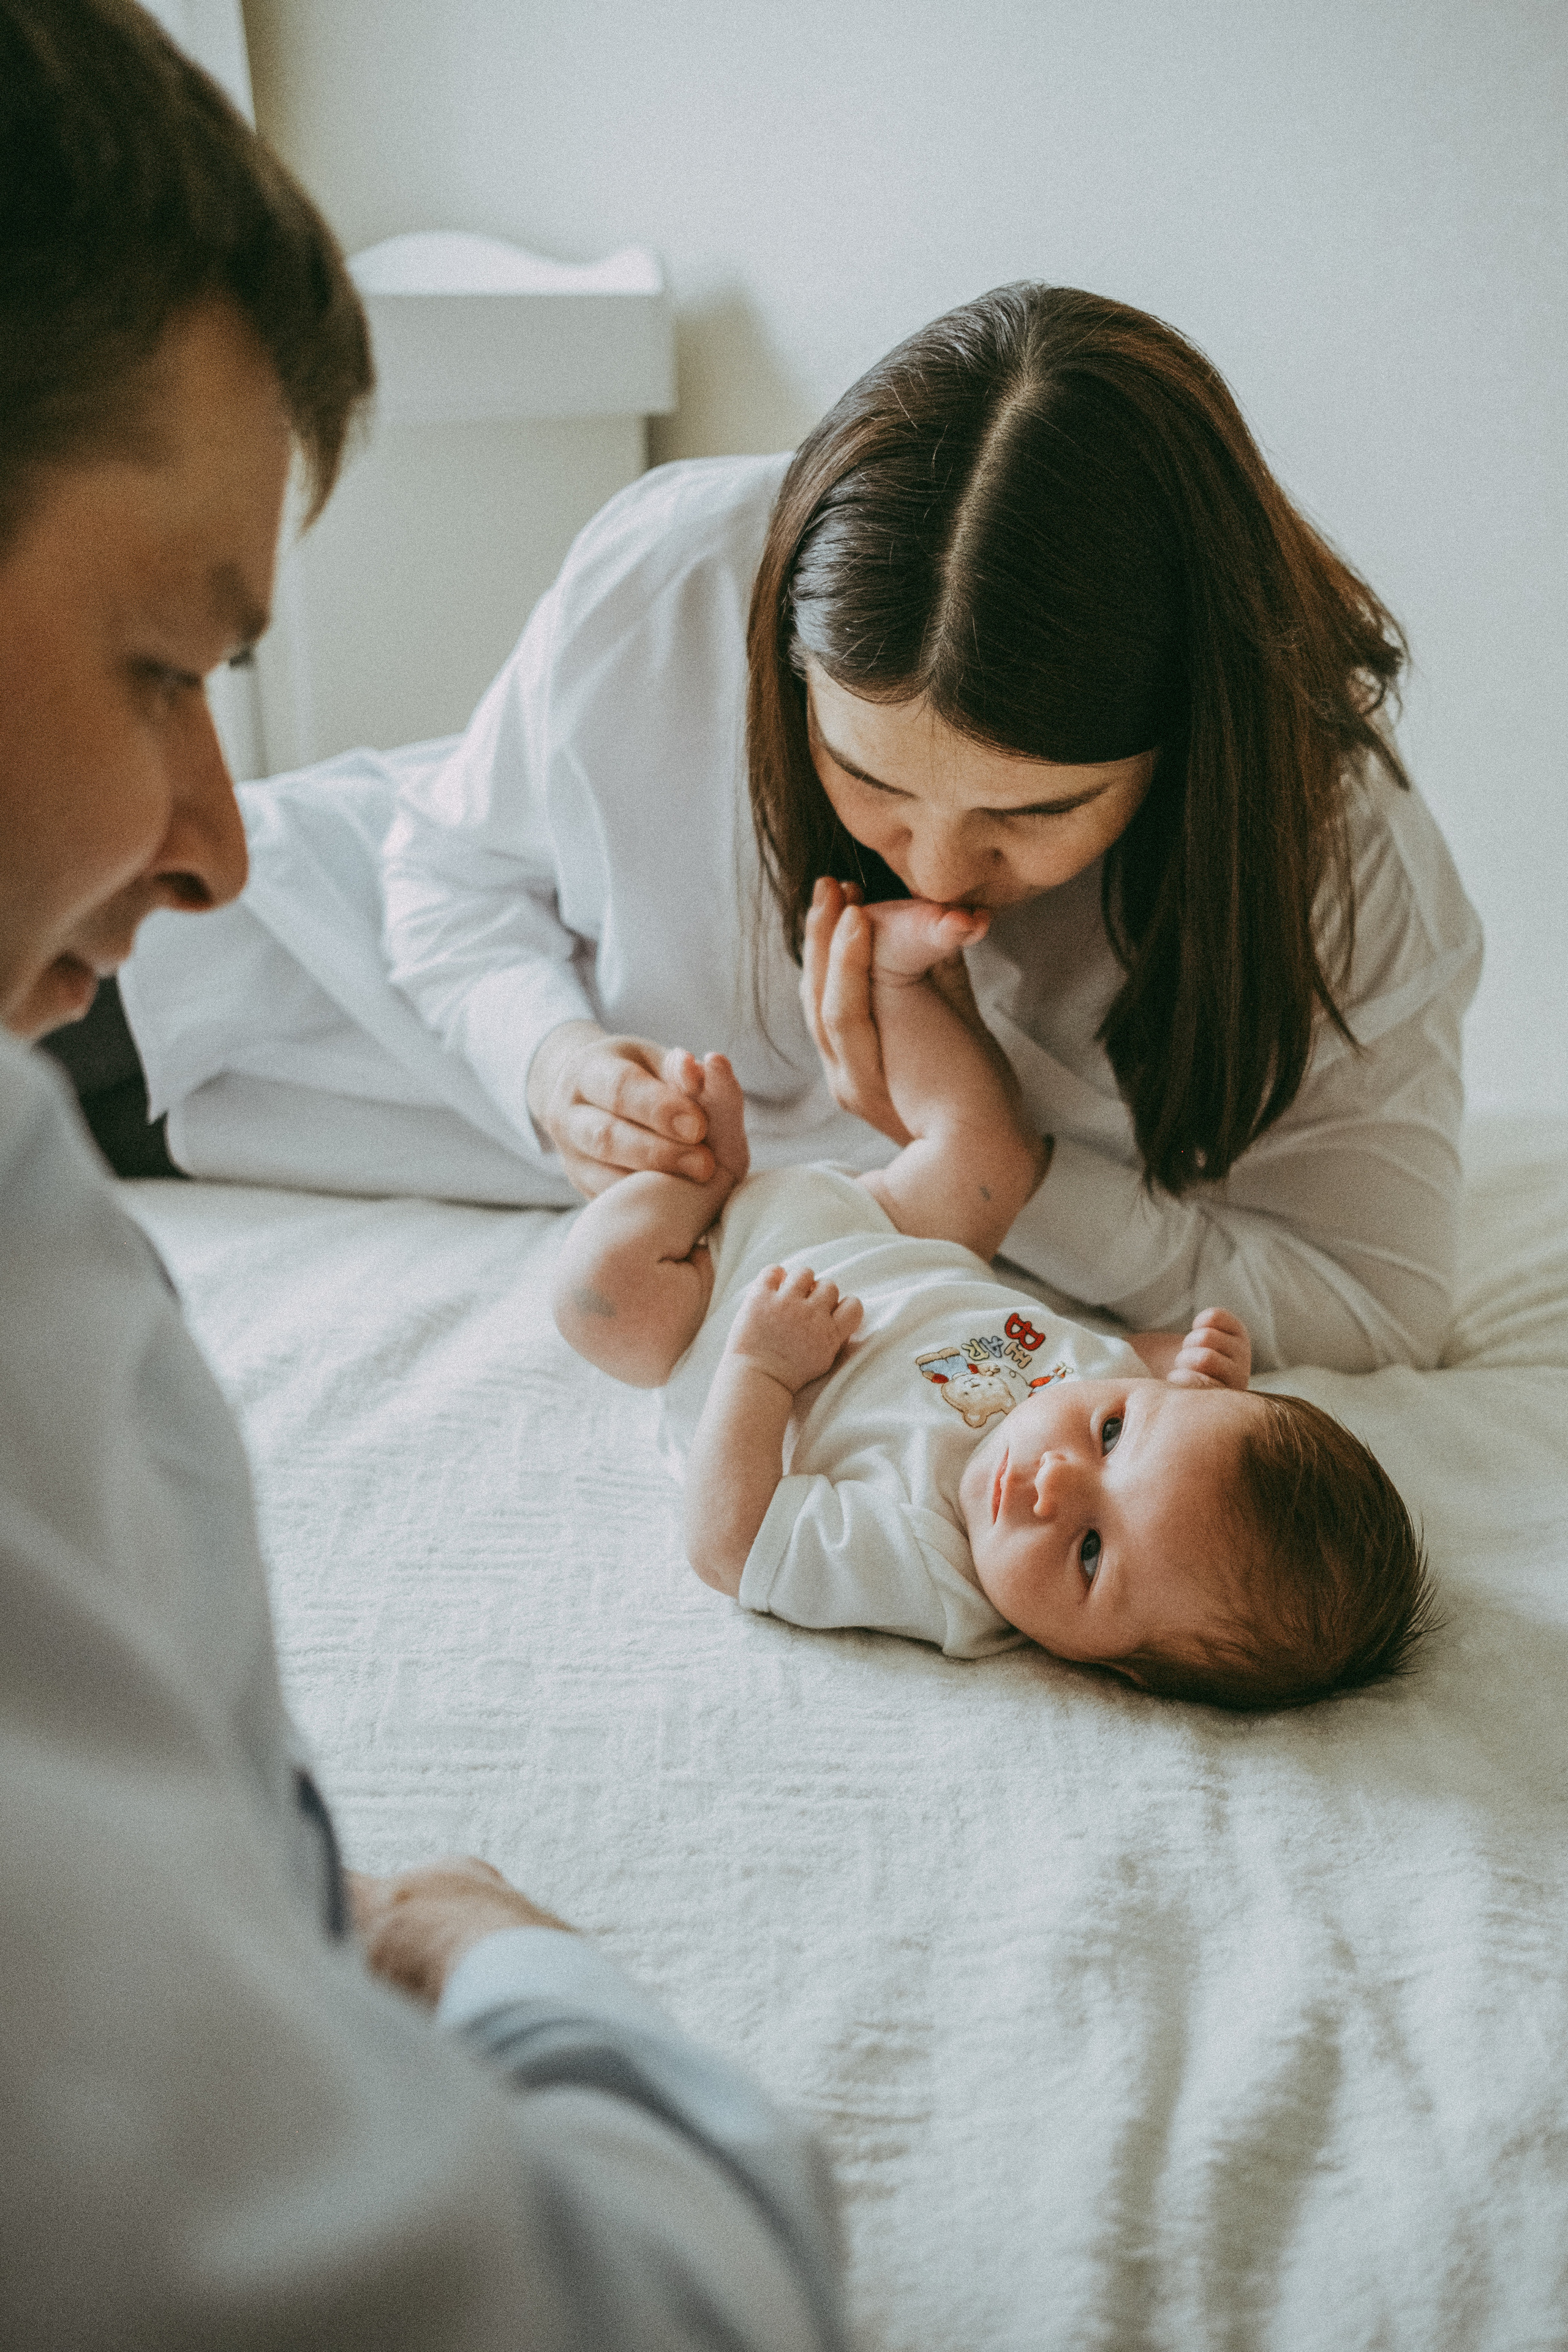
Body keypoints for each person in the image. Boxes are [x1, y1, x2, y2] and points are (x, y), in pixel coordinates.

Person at [0, 7, 845, 2346]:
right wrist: (501, 1963)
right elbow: (630, 2315)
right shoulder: (651, 593)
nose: (209, 834)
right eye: (166, 658)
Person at [114, 276, 1483, 1375]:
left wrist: (1012, 1177)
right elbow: (444, 866)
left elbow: (1374, 1302)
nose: (938, 873)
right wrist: (547, 1063)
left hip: (340, 1135)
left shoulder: (1340, 872)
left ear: (1194, 742)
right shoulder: (677, 574)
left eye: (1034, 810)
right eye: (866, 775)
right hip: (253, 948)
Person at [552, 893, 1433, 1712]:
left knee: (599, 1298)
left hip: (713, 1312)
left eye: (1091, 1552)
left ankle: (702, 1177)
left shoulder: (929, 1569)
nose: (1056, 1479)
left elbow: (729, 1546)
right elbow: (1126, 1365)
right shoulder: (1091, 1394)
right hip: (884, 1228)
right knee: (991, 1157)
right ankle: (899, 981)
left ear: (1113, 1666)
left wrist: (758, 1369)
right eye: (1116, 1433)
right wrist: (1182, 1365)